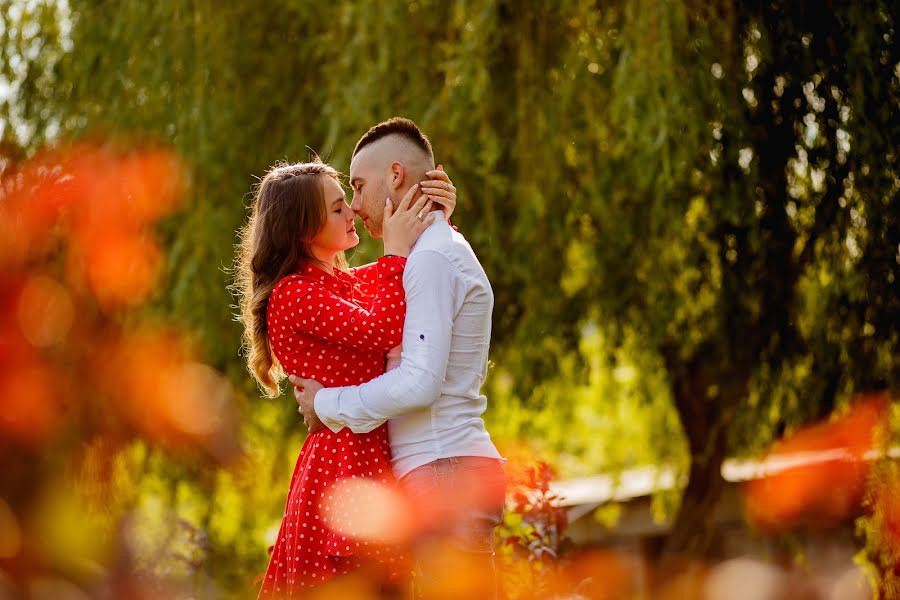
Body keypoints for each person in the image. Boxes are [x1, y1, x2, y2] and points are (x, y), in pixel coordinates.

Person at [292, 118, 506, 600]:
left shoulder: (431, 257)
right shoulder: (431, 251)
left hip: (444, 472)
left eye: (360, 187)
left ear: (395, 177)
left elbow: (421, 382)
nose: (355, 206)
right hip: (441, 472)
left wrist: (328, 404)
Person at [234, 158, 457, 597]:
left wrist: (437, 211)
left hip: (364, 451)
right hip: (341, 464)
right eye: (338, 209)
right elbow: (383, 328)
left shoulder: (341, 283)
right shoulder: (294, 293)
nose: (352, 212)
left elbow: (412, 271)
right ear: (303, 231)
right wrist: (392, 252)